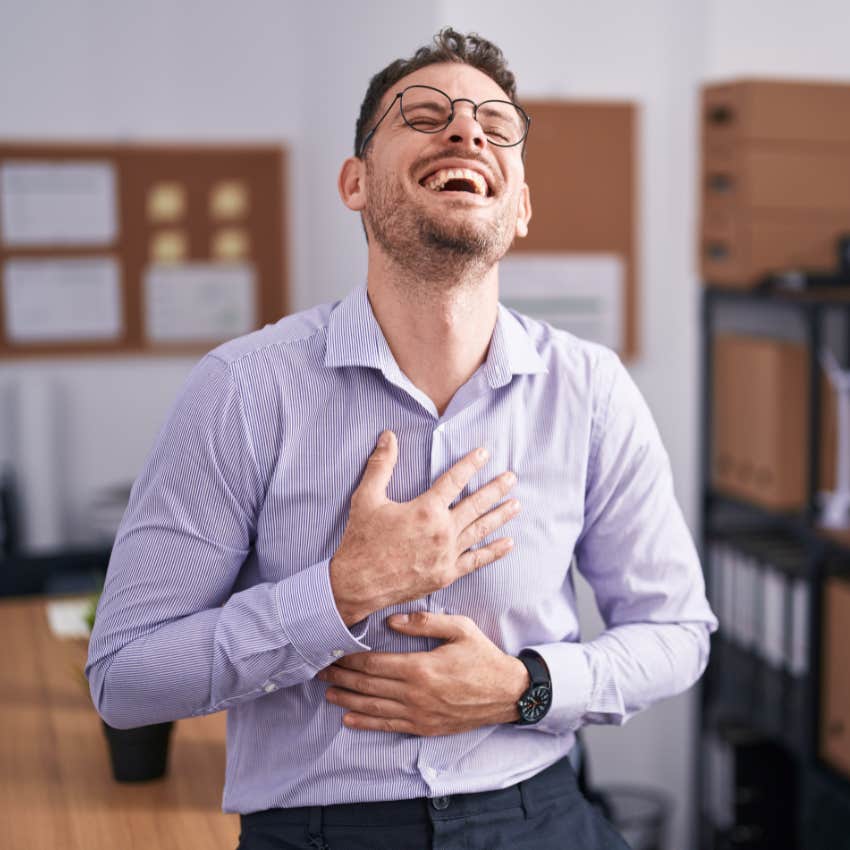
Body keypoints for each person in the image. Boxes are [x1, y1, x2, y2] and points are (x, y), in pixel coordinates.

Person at [87, 27, 718, 850]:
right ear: (355, 181)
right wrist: (344, 592)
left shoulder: (591, 389)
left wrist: (522, 688)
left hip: (537, 811)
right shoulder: (242, 389)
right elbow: (125, 678)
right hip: (318, 830)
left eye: (495, 126)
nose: (466, 133)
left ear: (520, 205)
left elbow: (678, 633)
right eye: (425, 116)